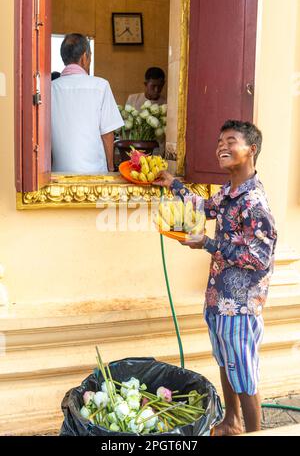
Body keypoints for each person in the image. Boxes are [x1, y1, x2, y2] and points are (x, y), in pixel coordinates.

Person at [153, 120, 277, 436]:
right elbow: (205, 207)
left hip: (240, 306)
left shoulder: (253, 201)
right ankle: (232, 421)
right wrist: (173, 184)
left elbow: (258, 256)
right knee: (226, 362)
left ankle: (254, 431)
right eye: (220, 140)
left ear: (251, 150)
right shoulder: (228, 192)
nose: (222, 145)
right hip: (218, 299)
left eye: (231, 141)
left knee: (244, 376)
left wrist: (207, 243)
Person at [51, 33, 124, 174]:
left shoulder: (50, 89)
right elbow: (108, 134)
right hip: (94, 176)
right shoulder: (100, 86)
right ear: (85, 57)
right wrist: (110, 167)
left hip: (58, 174)